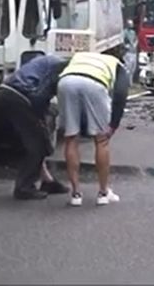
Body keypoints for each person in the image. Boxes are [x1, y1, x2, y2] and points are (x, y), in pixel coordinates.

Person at [58, 51, 129, 207]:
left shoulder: (80, 56)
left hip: (66, 82)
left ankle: (75, 194)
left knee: (71, 138)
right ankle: (103, 193)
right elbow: (121, 94)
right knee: (101, 140)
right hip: (95, 84)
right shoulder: (118, 65)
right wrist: (113, 125)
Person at [0, 55, 70, 200]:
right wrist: (41, 118)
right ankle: (24, 187)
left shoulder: (51, 61)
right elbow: (40, 95)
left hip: (9, 92)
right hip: (19, 96)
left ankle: (47, 181)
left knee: (38, 141)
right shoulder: (60, 69)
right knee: (38, 144)